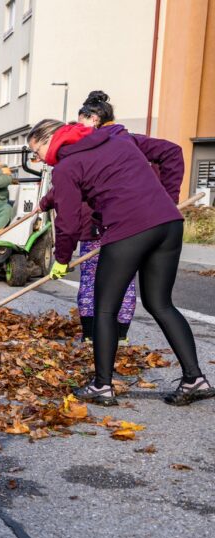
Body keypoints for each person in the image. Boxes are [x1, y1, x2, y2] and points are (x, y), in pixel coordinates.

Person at [29, 117, 211, 406]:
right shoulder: (115, 139)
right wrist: (167, 198)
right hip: (168, 223)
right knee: (160, 303)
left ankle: (102, 386)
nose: (38, 159)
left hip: (128, 230)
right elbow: (87, 181)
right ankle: (194, 378)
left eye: (35, 153)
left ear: (48, 140)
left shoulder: (65, 167)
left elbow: (68, 223)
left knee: (104, 309)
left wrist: (61, 258)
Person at [42, 91, 139, 344]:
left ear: (92, 118)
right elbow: (65, 186)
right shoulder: (114, 143)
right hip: (116, 226)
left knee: (97, 280)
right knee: (119, 280)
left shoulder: (88, 146)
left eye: (80, 121)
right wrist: (44, 203)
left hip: (103, 225)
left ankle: (98, 334)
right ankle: (110, 335)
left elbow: (68, 189)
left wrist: (61, 258)